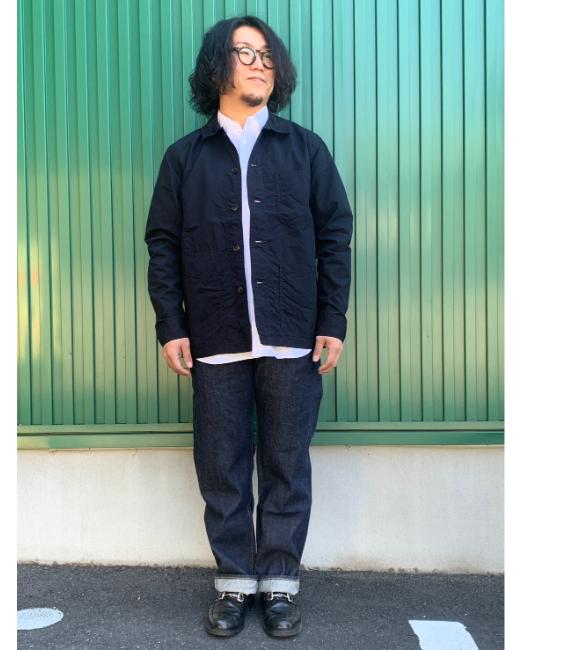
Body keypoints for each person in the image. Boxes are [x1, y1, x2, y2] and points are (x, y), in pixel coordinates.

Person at [144, 15, 353, 639]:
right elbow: (162, 246)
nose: (259, 63)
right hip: (215, 336)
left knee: (286, 463)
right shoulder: (185, 158)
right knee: (222, 466)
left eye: (266, 55)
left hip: (294, 335)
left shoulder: (305, 149)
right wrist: (171, 326)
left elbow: (335, 236)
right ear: (217, 67)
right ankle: (235, 583)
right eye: (244, 52)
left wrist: (332, 319)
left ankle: (280, 584)